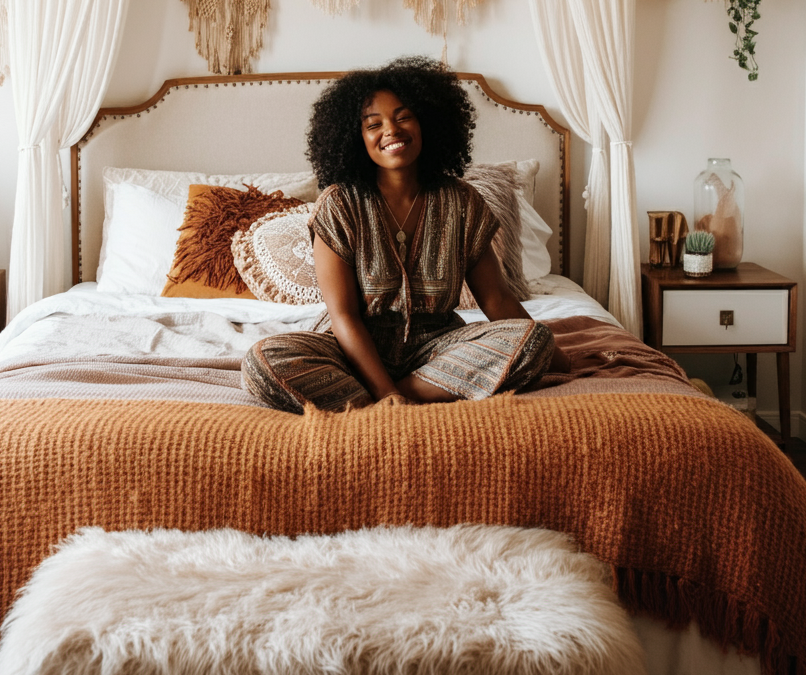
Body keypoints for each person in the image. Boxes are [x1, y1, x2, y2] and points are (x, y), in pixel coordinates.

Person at [242, 56, 570, 413]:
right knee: (262, 361)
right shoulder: (339, 205)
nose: (391, 131)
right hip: (352, 352)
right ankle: (399, 394)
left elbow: (496, 300)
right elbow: (344, 316)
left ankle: (389, 397)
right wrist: (384, 390)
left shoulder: (462, 202)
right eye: (374, 124)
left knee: (533, 339)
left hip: (438, 349)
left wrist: (557, 357)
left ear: (426, 122)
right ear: (356, 137)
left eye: (403, 117)